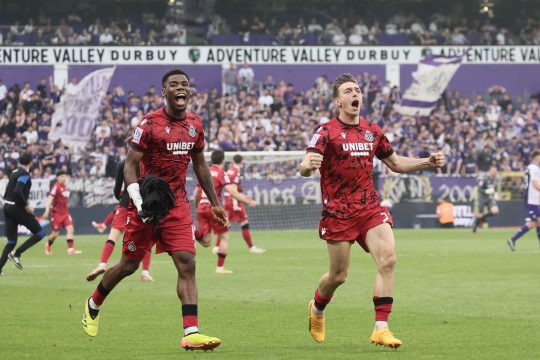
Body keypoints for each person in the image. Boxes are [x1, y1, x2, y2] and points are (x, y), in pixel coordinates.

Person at [81, 69, 227, 352]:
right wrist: (137, 200)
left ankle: (191, 331)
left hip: (177, 205)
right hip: (146, 206)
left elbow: (200, 166)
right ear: (165, 92)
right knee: (128, 266)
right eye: (174, 85)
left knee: (188, 263)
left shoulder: (195, 124)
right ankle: (93, 302)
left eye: (184, 84)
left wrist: (216, 203)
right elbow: (130, 165)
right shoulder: (148, 124)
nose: (180, 88)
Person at [299, 73, 445, 348]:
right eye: (348, 91)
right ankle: (317, 309)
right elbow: (305, 163)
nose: (355, 94)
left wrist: (426, 161)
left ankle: (381, 327)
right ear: (338, 101)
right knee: (338, 276)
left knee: (388, 260)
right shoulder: (326, 131)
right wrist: (308, 166)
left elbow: (396, 163)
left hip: (369, 208)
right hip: (338, 212)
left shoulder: (372, 131)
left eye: (357, 90)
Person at [86, 160, 154, 282]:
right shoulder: (148, 162)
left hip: (125, 204)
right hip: (141, 206)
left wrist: (121, 199)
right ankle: (145, 272)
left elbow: (117, 188)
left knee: (112, 237)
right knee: (146, 240)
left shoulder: (123, 164)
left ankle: (102, 264)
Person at [194, 150, 256, 274]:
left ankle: (192, 231)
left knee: (206, 242)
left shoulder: (203, 171)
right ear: (223, 161)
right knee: (224, 237)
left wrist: (197, 206)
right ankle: (220, 268)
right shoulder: (221, 173)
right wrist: (247, 200)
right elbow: (232, 192)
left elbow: (196, 194)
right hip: (213, 209)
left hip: (201, 208)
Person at [0, 152, 46, 275]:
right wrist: (26, 205)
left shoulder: (13, 172)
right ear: (30, 163)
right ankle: (16, 253)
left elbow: (7, 192)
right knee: (40, 233)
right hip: (16, 208)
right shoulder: (24, 174)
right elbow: (18, 190)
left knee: (11, 241)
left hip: (7, 206)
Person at [212, 154, 266, 255]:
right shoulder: (236, 172)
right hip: (234, 201)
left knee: (226, 224)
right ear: (241, 162)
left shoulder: (229, 170)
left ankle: (216, 247)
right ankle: (251, 247)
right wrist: (246, 199)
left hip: (227, 199)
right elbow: (234, 188)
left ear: (233, 161)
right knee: (244, 222)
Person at [42, 170, 82, 255]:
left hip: (65, 212)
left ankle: (70, 249)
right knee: (55, 234)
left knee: (70, 229)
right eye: (62, 176)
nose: (64, 178)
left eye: (65, 176)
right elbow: (50, 198)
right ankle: (48, 244)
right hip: (57, 213)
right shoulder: (56, 186)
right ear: (57, 178)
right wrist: (46, 211)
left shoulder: (65, 187)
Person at [507, 150, 540, 251]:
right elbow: (535, 184)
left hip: (531, 199)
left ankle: (513, 239)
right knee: (534, 223)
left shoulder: (529, 168)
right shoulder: (534, 169)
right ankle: (513, 239)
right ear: (536, 157)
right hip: (532, 200)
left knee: (536, 223)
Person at [472, 166, 499, 232]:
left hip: (489, 198)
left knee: (495, 211)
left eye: (495, 171)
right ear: (490, 171)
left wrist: (495, 193)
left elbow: (495, 188)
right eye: (493, 171)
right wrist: (486, 191)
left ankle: (481, 218)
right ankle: (475, 225)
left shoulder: (496, 179)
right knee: (480, 213)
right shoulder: (485, 178)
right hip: (482, 197)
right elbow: (480, 188)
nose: (494, 172)